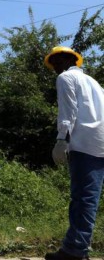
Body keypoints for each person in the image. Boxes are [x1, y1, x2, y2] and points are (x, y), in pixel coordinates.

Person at [44, 46, 104, 260]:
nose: (55, 67)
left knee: (82, 200)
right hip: (100, 143)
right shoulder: (94, 82)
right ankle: (76, 247)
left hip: (84, 143)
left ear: (68, 60)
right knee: (88, 199)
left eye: (57, 61)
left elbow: (68, 111)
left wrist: (62, 139)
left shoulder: (65, 78)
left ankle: (75, 251)